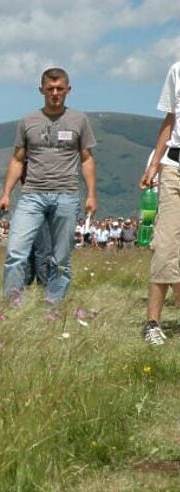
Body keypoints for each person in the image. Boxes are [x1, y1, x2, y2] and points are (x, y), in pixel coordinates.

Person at [0, 67, 97, 303]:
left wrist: (91, 194)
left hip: (66, 194)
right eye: (50, 88)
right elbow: (17, 159)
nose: (55, 93)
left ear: (68, 90)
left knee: (61, 258)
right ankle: (11, 306)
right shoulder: (28, 121)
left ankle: (53, 306)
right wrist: (6, 194)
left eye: (60, 88)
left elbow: (87, 158)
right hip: (32, 194)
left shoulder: (79, 120)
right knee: (15, 252)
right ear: (41, 89)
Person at [140, 60, 180, 346]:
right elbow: (170, 119)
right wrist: (154, 163)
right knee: (165, 247)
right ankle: (152, 323)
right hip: (174, 166)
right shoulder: (177, 70)